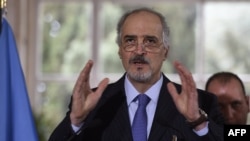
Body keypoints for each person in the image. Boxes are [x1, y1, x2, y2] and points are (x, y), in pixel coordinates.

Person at [49, 7, 224, 141]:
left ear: (165, 52)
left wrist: (198, 123)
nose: (139, 50)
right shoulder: (92, 105)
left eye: (150, 41)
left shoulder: (203, 104)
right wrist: (76, 121)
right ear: (120, 51)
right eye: (130, 41)